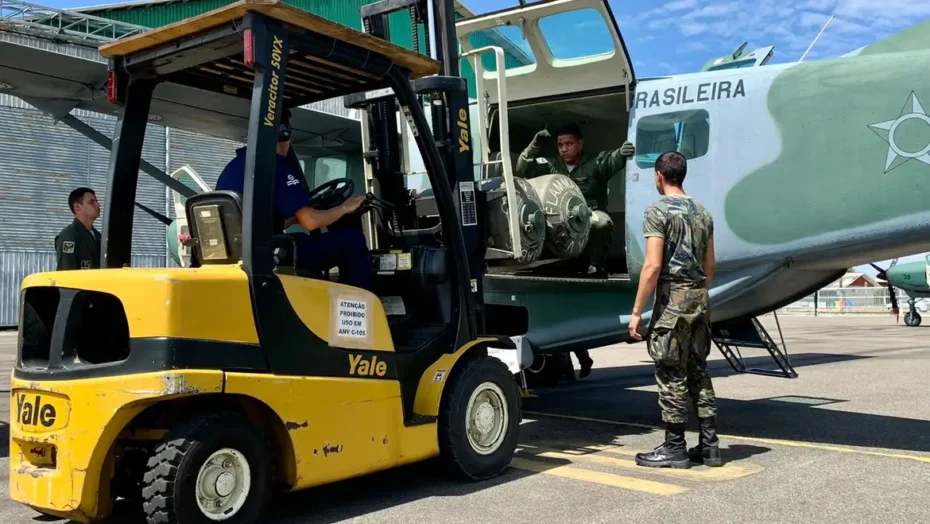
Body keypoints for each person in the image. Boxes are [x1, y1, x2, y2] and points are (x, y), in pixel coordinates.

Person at [515, 124, 635, 379]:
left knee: (600, 222)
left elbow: (611, 161)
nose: (564, 149)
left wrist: (624, 153)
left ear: (580, 143)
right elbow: (523, 170)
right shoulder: (551, 167)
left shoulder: (593, 164)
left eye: (569, 144)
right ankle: (581, 356)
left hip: (586, 221)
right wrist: (534, 145)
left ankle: (596, 265)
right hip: (559, 233)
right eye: (560, 145)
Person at [628, 151, 721, 469]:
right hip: (699, 302)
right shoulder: (703, 213)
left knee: (671, 374)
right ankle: (710, 447)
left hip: (672, 307)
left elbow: (652, 265)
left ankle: (675, 447)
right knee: (699, 371)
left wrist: (638, 310)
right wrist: (697, 293)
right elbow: (711, 266)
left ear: (659, 176)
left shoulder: (657, 212)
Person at [215, 109, 371, 290]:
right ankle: (359, 309)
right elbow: (311, 221)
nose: (289, 145)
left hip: (245, 251)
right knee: (352, 240)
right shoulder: (274, 165)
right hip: (269, 253)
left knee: (300, 238)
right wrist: (344, 208)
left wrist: (296, 217)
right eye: (289, 139)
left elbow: (258, 221)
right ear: (283, 134)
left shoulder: (235, 166)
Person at [55, 187, 102, 270]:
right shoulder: (69, 236)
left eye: (96, 201)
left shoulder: (99, 236)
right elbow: (66, 272)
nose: (98, 205)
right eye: (91, 202)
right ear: (77, 207)